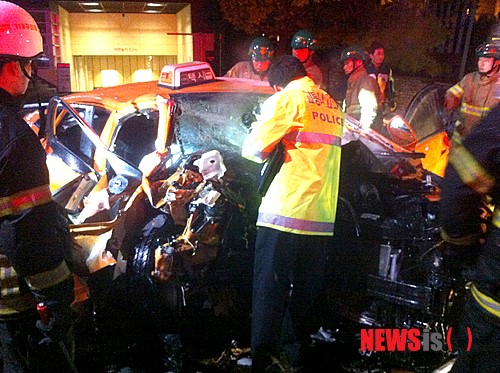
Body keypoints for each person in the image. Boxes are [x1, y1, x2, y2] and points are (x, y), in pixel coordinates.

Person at [242, 55, 344, 372]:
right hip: (321, 217)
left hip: (284, 211)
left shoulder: (287, 99)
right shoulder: (330, 104)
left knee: (269, 289)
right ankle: (297, 353)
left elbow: (254, 150)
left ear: (277, 83)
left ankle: (265, 358)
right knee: (305, 292)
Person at [0, 1, 76, 372]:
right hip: (11, 307)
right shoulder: (13, 139)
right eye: (29, 65)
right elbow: (27, 229)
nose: (31, 75)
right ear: (11, 65)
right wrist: (59, 296)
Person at [443, 42, 500, 139]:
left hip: (488, 142)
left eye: (486, 60)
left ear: (497, 62)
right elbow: (453, 93)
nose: (481, 63)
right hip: (461, 138)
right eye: (480, 59)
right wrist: (450, 97)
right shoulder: (469, 79)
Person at [340, 45, 382, 130]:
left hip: (359, 137)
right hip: (351, 131)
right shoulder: (354, 82)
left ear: (358, 62)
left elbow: (369, 109)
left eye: (347, 63)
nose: (344, 67)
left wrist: (361, 131)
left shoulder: (365, 82)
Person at [365, 41, 396, 112]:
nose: (381, 56)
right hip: (366, 105)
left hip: (381, 106)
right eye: (378, 54)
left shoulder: (386, 70)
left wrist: (391, 99)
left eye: (382, 54)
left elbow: (390, 85)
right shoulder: (365, 70)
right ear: (371, 56)